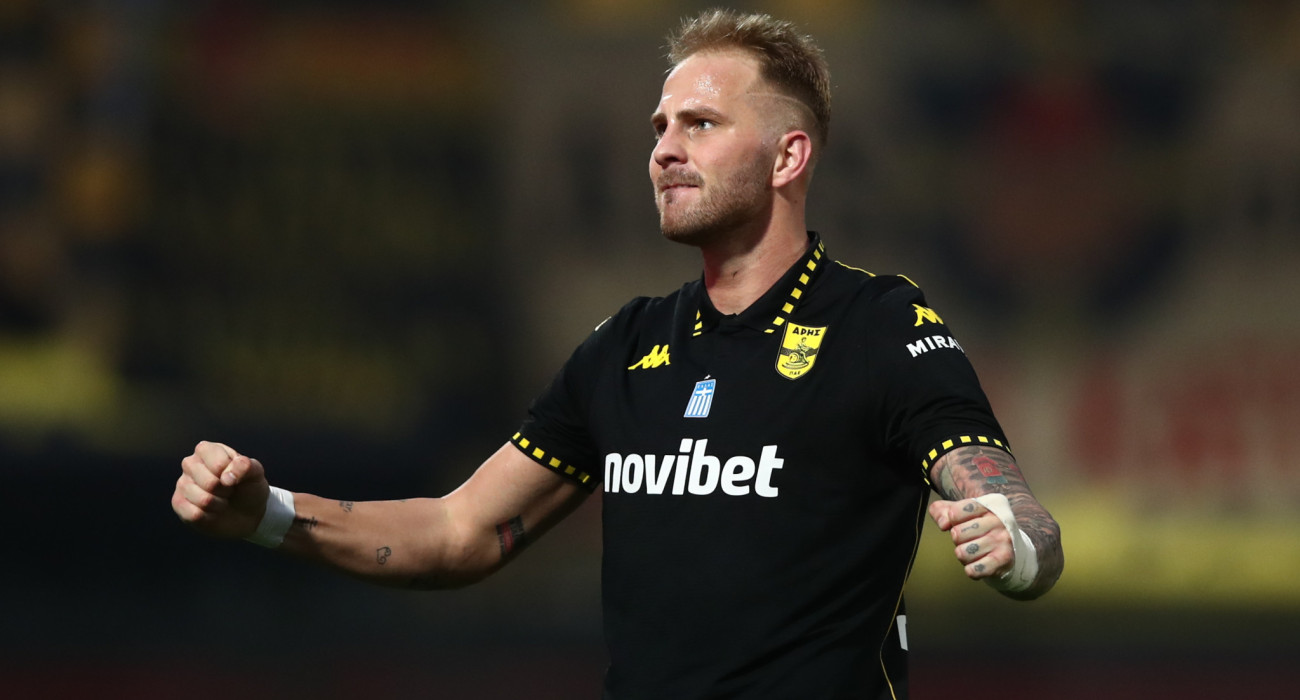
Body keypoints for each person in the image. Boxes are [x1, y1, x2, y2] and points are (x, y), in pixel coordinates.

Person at [172, 9, 1063, 699]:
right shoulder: (626, 346)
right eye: (660, 127)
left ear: (788, 156)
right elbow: (458, 532)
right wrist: (266, 514)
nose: (665, 150)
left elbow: (1014, 508)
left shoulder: (877, 324)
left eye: (701, 124)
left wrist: (1015, 543)